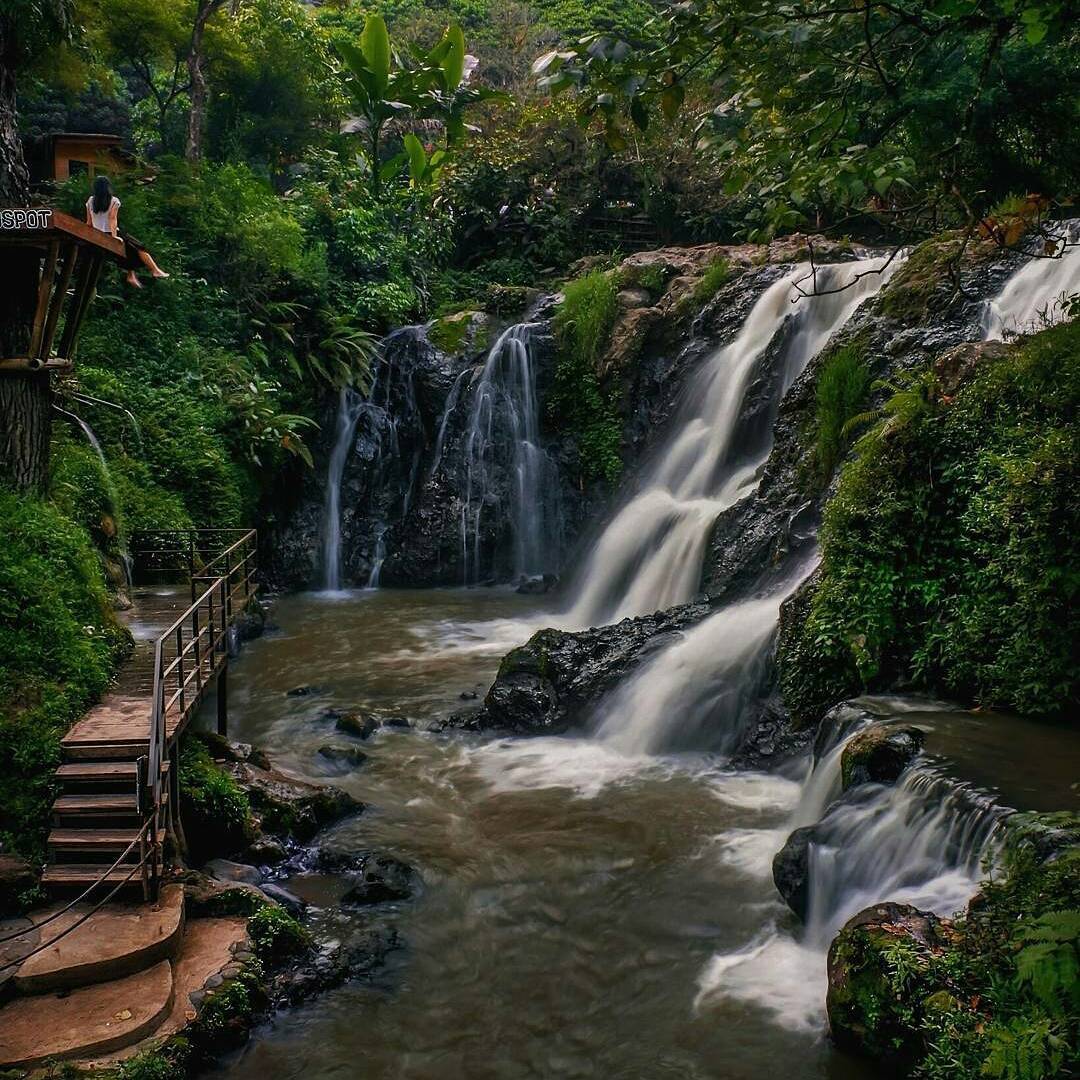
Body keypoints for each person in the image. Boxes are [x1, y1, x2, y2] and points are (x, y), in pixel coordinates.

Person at [85, 175, 169, 288]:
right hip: (111, 233)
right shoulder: (114, 200)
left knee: (129, 249)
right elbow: (112, 219)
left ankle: (132, 275)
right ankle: (155, 270)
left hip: (97, 234)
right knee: (140, 247)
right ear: (108, 187)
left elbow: (89, 222)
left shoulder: (91, 201)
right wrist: (114, 237)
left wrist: (89, 235)